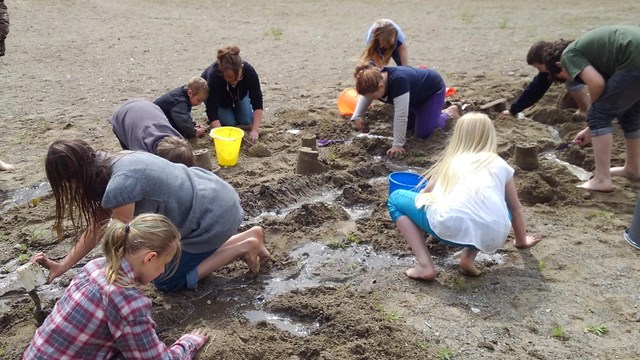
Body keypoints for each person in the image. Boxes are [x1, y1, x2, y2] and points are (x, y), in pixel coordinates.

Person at [33, 140, 270, 292]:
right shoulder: (110, 161)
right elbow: (98, 226)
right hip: (214, 196)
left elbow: (119, 245)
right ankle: (250, 236)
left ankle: (243, 247)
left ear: (73, 177)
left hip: (210, 218)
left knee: (166, 280)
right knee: (163, 260)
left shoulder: (120, 186)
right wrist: (62, 265)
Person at [24, 213, 209, 359]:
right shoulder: (127, 300)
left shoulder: (94, 266)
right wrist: (188, 343)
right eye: (163, 264)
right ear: (150, 257)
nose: (161, 271)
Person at [387, 112, 540, 280]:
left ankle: (424, 265)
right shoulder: (501, 165)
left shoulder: (453, 161)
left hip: (449, 228)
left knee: (395, 199)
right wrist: (521, 241)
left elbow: (424, 194)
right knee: (500, 204)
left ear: (459, 136)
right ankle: (468, 258)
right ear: (490, 136)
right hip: (494, 237)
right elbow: (516, 209)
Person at [544, 25, 640, 192]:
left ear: (560, 64)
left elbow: (596, 84)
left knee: (598, 114)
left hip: (633, 59)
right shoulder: (591, 52)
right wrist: (592, 127)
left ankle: (601, 179)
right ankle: (633, 168)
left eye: (564, 76)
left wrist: (595, 116)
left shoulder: (568, 56)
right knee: (630, 115)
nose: (573, 78)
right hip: (632, 58)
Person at [350, 63, 460, 156]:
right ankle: (426, 114)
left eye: (373, 97)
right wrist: (357, 116)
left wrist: (397, 145)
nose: (371, 99)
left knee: (424, 132)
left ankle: (448, 113)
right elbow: (366, 95)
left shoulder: (398, 81)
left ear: (381, 86)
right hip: (412, 98)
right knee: (407, 128)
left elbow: (401, 116)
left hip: (431, 93)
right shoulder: (375, 80)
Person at [501, 41, 590, 117]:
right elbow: (535, 89)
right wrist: (513, 110)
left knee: (572, 82)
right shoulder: (550, 66)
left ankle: (585, 110)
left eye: (539, 67)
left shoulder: (566, 59)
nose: (539, 71)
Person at [201, 45, 263, 142]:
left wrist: (255, 130)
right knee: (229, 123)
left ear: (241, 68)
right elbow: (211, 108)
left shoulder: (248, 70)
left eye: (238, 77)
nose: (234, 81)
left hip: (239, 95)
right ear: (222, 73)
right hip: (219, 101)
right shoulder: (214, 75)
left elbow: (257, 101)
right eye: (229, 77)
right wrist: (220, 135)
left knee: (246, 121)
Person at [108, 99, 195, 167]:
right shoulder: (140, 152)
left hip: (148, 107)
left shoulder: (178, 139)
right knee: (129, 156)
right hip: (122, 114)